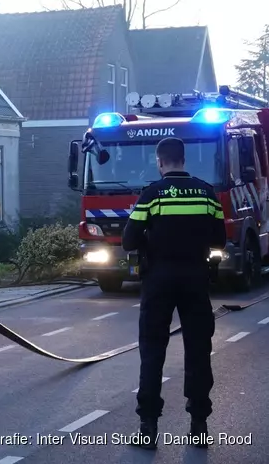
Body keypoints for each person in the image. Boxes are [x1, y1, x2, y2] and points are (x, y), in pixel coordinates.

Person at [122, 137, 226, 449]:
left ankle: (148, 428)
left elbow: (128, 241)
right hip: (195, 278)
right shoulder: (207, 193)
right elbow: (219, 239)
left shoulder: (152, 195)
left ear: (160, 161)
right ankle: (198, 426)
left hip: (159, 280)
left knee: (152, 352)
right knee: (198, 350)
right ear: (183, 159)